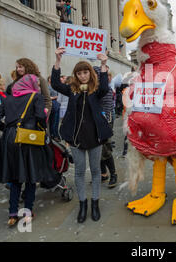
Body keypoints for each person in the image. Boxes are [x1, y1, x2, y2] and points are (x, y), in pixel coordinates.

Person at [51, 48, 113, 224]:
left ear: (89, 73)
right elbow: (55, 84)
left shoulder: (96, 89)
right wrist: (57, 60)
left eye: (85, 72)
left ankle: (94, 203)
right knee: (79, 172)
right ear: (76, 75)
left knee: (95, 171)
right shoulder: (72, 89)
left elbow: (105, 87)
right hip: (76, 139)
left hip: (95, 137)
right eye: (79, 73)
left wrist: (103, 64)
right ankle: (83, 204)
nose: (83, 76)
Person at [0, 74, 56, 227]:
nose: (39, 87)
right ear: (32, 85)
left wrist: (7, 130)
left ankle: (12, 214)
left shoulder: (8, 99)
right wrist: (43, 119)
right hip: (29, 138)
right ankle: (27, 212)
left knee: (14, 178)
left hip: (9, 139)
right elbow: (40, 116)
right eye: (37, 84)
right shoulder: (36, 97)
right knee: (31, 175)